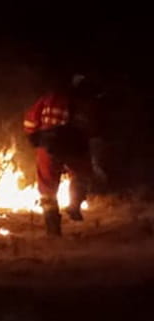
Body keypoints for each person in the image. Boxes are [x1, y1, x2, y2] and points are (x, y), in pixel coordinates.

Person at [22, 73, 104, 236]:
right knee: (82, 174)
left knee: (47, 187)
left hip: (48, 145)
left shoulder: (49, 98)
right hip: (75, 145)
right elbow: (93, 129)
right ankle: (74, 205)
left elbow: (31, 120)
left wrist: (33, 136)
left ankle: (52, 228)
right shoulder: (86, 102)